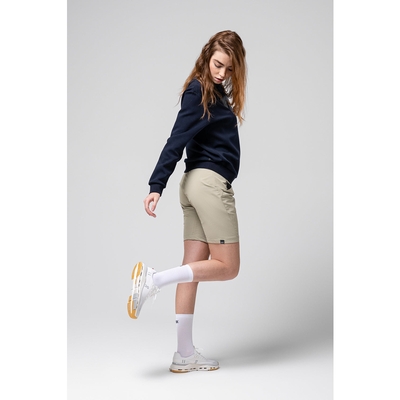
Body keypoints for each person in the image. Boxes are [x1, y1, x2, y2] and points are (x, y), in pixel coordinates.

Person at [127, 30, 247, 373]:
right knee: (229, 266)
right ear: (206, 56)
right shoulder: (199, 90)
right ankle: (154, 280)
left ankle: (184, 353)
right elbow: (176, 139)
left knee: (191, 270)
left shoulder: (213, 93)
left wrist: (161, 185)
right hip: (208, 184)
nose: (222, 73)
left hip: (193, 184)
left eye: (229, 69)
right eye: (217, 64)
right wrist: (156, 185)